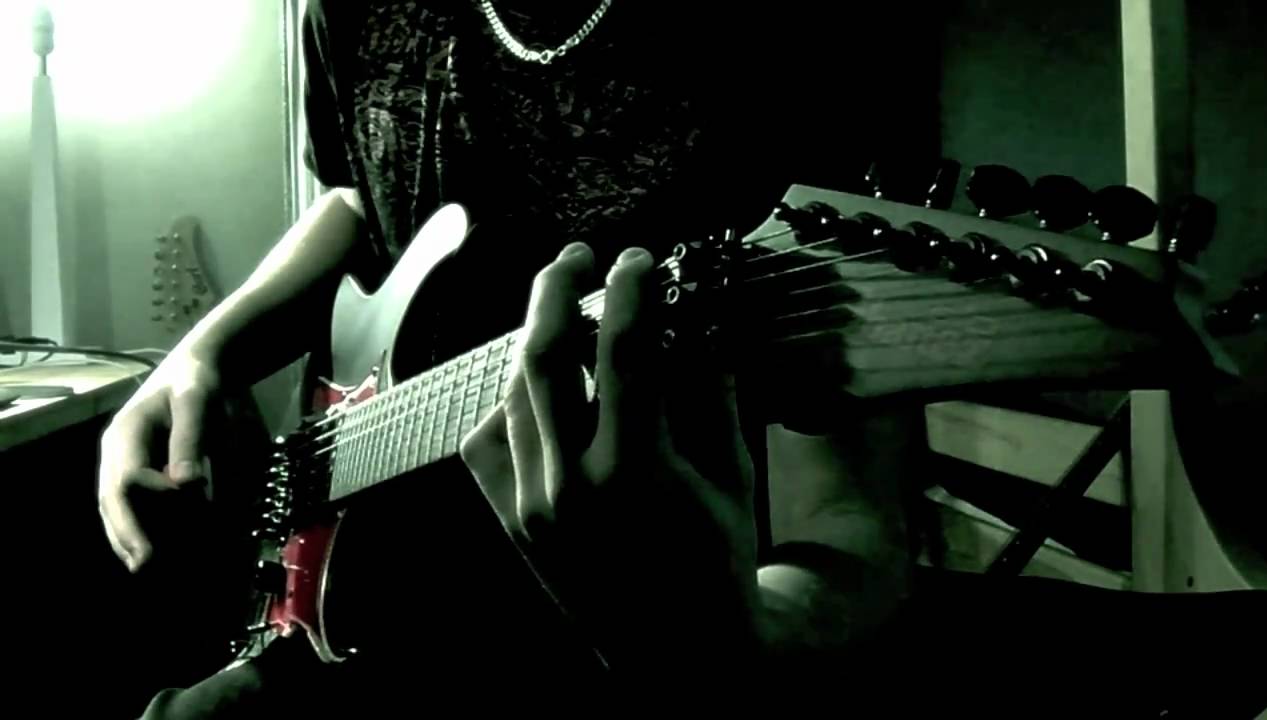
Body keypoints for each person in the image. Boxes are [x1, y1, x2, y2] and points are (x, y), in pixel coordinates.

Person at [98, 0, 945, 716]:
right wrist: (200, 356)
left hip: (607, 651)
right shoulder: (344, 10)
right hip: (354, 599)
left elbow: (850, 535)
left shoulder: (818, 37)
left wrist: (711, 646)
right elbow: (357, 197)